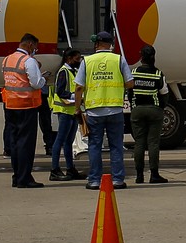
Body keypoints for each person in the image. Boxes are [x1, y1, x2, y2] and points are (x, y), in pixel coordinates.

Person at [76, 31, 133, 189]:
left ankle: (94, 180)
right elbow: (130, 83)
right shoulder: (118, 59)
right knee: (116, 146)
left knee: (95, 146)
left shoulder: (87, 61)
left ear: (97, 44)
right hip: (115, 110)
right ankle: (117, 180)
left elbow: (79, 86)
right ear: (110, 43)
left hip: (94, 111)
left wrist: (77, 109)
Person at [0, 33, 47, 188]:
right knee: (26, 143)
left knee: (14, 142)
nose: (35, 50)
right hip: (27, 105)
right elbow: (36, 83)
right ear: (29, 45)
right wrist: (44, 78)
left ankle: (17, 176)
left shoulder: (7, 59)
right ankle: (24, 178)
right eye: (35, 47)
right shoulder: (29, 61)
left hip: (11, 105)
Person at [130, 44, 168, 184]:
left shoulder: (134, 73)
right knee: (153, 143)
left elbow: (129, 92)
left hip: (138, 110)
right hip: (154, 110)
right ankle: (154, 175)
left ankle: (139, 175)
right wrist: (161, 108)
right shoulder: (158, 74)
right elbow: (164, 94)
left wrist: (134, 106)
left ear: (141, 58)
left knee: (139, 143)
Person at [47, 49, 84, 181]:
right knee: (60, 141)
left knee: (68, 141)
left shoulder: (72, 71)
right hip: (64, 111)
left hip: (72, 111)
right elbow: (60, 91)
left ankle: (70, 168)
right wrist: (76, 96)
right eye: (77, 58)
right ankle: (55, 169)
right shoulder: (64, 71)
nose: (79, 61)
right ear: (69, 58)